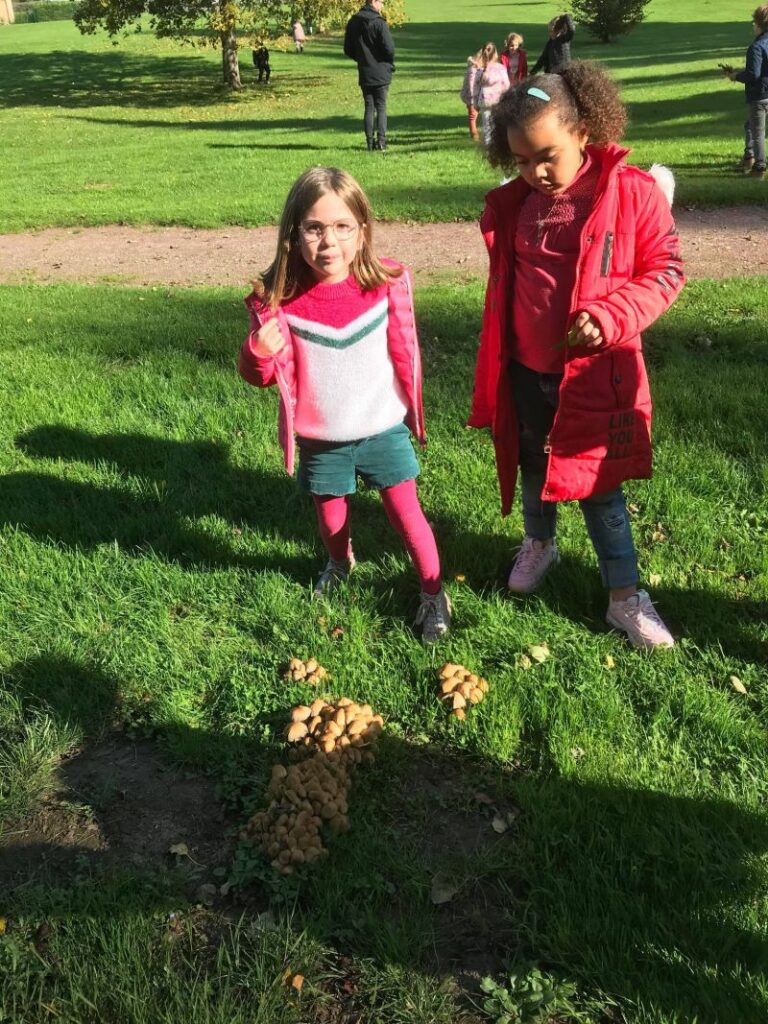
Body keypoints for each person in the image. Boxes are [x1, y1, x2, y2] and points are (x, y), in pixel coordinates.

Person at [467, 62, 686, 649]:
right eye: (520, 160)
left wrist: (611, 316)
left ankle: (624, 597)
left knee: (598, 487)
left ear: (584, 130)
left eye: (547, 156)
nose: (535, 172)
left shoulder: (631, 193)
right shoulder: (515, 202)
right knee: (533, 466)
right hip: (525, 371)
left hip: (594, 378)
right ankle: (539, 542)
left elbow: (666, 271)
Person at [238, 167, 451, 643]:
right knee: (331, 518)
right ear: (294, 234)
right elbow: (262, 376)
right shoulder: (279, 302)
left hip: (383, 430)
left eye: (342, 227)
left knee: (407, 516)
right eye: (314, 228)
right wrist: (257, 352)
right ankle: (339, 562)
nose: (328, 241)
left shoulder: (385, 284)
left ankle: (434, 592)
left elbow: (403, 349)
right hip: (322, 439)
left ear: (363, 231)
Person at [720, 5, 768, 179]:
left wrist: (735, 76)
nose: (752, 25)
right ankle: (749, 157)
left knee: (757, 132)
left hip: (760, 96)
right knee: (750, 126)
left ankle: (759, 167)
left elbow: (753, 75)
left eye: (754, 22)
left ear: (760, 24)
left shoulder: (756, 47)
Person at [343, 0, 395, 151]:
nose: (383, 5)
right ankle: (381, 141)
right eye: (382, 2)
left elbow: (347, 49)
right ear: (373, 1)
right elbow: (389, 49)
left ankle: (370, 143)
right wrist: (386, 61)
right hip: (381, 70)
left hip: (365, 70)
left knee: (369, 106)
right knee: (381, 106)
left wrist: (361, 58)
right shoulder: (379, 23)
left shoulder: (353, 22)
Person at [476, 43, 510, 144]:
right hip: (499, 99)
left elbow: (477, 82)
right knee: (498, 123)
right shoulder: (501, 68)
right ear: (495, 54)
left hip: (485, 100)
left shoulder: (481, 69)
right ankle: (499, 144)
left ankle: (488, 145)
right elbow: (506, 84)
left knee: (486, 125)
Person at [460, 51, 483, 140]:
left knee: (475, 115)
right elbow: (470, 84)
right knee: (472, 116)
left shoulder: (480, 69)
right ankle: (474, 135)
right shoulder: (473, 70)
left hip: (478, 95)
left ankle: (474, 133)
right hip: (472, 96)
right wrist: (472, 99)